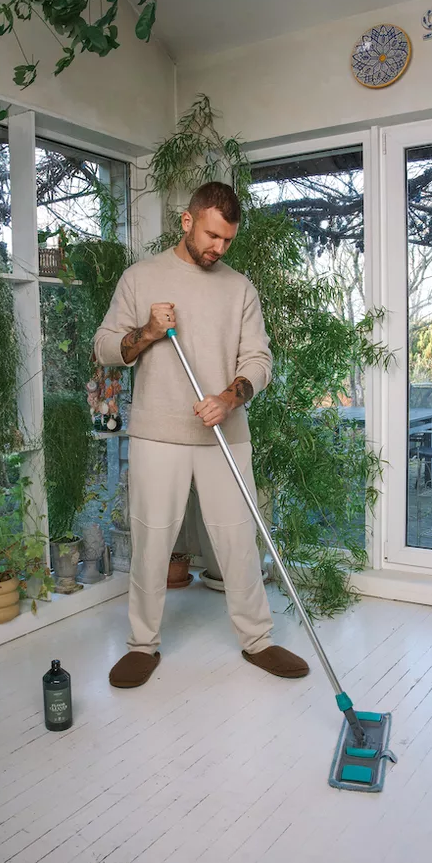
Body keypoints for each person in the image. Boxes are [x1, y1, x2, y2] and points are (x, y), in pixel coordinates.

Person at [94, 181, 309, 688]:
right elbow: (104, 347)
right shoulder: (140, 278)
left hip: (224, 434)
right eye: (212, 235)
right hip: (157, 434)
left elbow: (259, 361)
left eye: (228, 240)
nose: (219, 248)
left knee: (238, 539)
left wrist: (229, 398)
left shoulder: (240, 289)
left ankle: (257, 640)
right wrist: (148, 332)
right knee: (151, 538)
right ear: (187, 221)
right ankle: (142, 644)